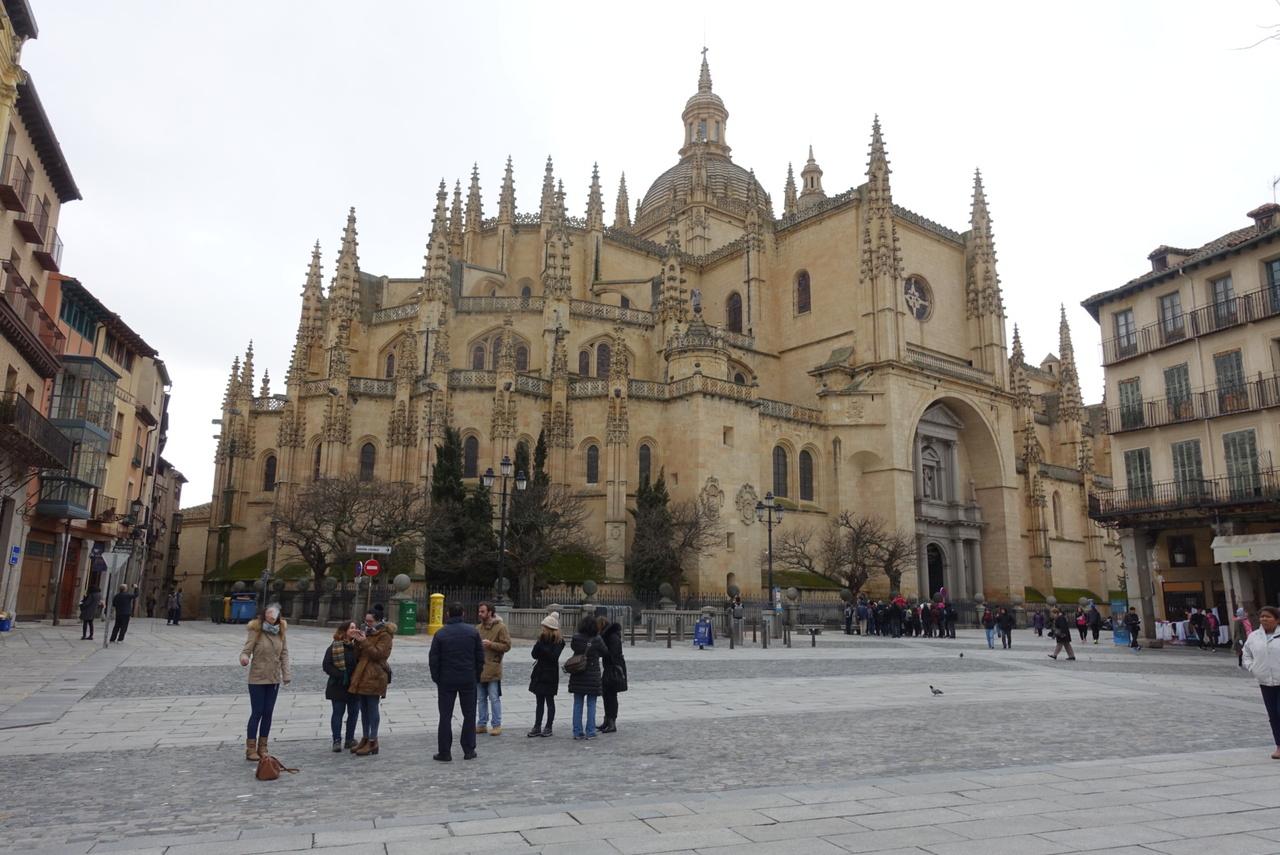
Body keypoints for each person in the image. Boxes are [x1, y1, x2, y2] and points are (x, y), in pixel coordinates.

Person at [429, 603, 484, 761]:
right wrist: (476, 675)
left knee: (445, 716)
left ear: (447, 614)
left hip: (446, 679)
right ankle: (469, 749)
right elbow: (480, 657)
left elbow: (434, 659)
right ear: (463, 613)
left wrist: (437, 678)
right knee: (469, 714)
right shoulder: (472, 632)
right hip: (468, 678)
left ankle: (445, 751)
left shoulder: (440, 634)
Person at [239, 603, 290, 762]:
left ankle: (263, 747)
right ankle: (251, 748)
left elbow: (284, 654)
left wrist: (286, 674)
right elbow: (246, 650)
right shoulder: (256, 630)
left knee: (268, 712)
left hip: (273, 678)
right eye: (269, 612)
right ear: (264, 614)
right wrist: (244, 658)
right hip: (257, 677)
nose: (272, 615)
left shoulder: (281, 631)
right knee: (257, 712)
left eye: (275, 612)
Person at [348, 610, 395, 756]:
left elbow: (379, 654)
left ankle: (373, 740)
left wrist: (364, 642)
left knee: (372, 708)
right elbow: (358, 655)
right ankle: (365, 738)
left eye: (370, 621)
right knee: (363, 708)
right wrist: (356, 642)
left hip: (375, 675)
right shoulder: (367, 633)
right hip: (362, 674)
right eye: (366, 621)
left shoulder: (385, 635)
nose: (367, 624)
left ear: (378, 621)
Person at [1242, 606, 1280, 759]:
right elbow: (1246, 654)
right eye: (1262, 616)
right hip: (1265, 682)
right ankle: (1279, 746)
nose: (1264, 619)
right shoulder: (1254, 636)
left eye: (1268, 616)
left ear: (1277, 620)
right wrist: (1253, 668)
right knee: (1273, 715)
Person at [322, 620, 361, 752]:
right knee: (338, 713)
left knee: (353, 713)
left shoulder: (357, 646)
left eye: (355, 627)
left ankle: (349, 739)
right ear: (344, 631)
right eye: (351, 628)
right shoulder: (335, 646)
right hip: (338, 685)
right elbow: (326, 665)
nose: (354, 630)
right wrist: (341, 675)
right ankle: (336, 740)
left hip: (354, 685)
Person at [568, 614, 607, 740]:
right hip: (592, 675)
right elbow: (605, 652)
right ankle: (590, 731)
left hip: (578, 673)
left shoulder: (576, 638)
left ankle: (577, 732)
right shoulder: (597, 639)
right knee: (591, 704)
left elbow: (573, 648)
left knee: (577, 703)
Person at [475, 602, 511, 736]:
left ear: (490, 612)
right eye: (479, 611)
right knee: (481, 698)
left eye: (482, 611)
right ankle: (482, 724)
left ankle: (496, 724)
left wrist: (491, 644)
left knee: (494, 697)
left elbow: (507, 646)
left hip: (493, 668)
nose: (480, 614)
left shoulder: (501, 627)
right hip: (479, 668)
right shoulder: (478, 628)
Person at [527, 612, 564, 737]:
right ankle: (537, 726)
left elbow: (553, 657)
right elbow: (534, 655)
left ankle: (549, 726)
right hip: (539, 673)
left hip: (550, 674)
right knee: (539, 701)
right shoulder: (541, 639)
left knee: (549, 701)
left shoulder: (559, 641)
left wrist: (542, 647)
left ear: (549, 628)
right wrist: (539, 644)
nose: (542, 629)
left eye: (544, 627)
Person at [598, 610, 628, 734]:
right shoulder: (607, 636)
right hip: (609, 667)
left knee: (611, 695)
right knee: (606, 694)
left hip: (614, 668)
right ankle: (607, 720)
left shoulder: (612, 636)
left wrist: (603, 651)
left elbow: (613, 654)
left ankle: (612, 722)